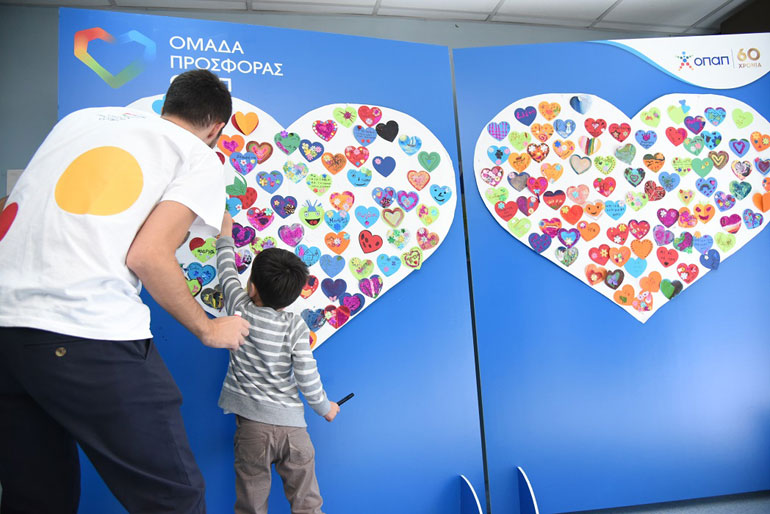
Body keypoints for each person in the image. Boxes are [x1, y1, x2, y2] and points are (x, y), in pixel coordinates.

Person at [0, 69, 250, 514]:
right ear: (216, 128)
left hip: (7, 332)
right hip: (83, 329)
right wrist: (209, 329)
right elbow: (149, 256)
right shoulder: (197, 154)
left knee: (37, 498)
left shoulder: (78, 121)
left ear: (168, 105)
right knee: (174, 499)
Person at [216, 212, 339, 514]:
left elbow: (226, 270)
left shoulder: (239, 307)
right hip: (294, 431)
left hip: (252, 431)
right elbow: (307, 375)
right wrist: (325, 408)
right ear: (293, 296)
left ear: (252, 288)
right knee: (308, 505)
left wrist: (225, 233)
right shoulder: (295, 326)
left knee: (252, 506)